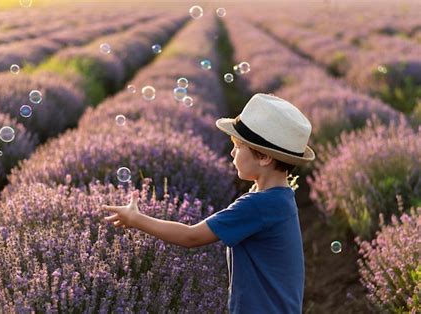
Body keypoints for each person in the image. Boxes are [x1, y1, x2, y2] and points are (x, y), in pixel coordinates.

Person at [103, 93, 315, 313]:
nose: (232, 152)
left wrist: (136, 219)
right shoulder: (281, 197)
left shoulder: (258, 206)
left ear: (264, 157)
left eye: (238, 146)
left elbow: (190, 236)